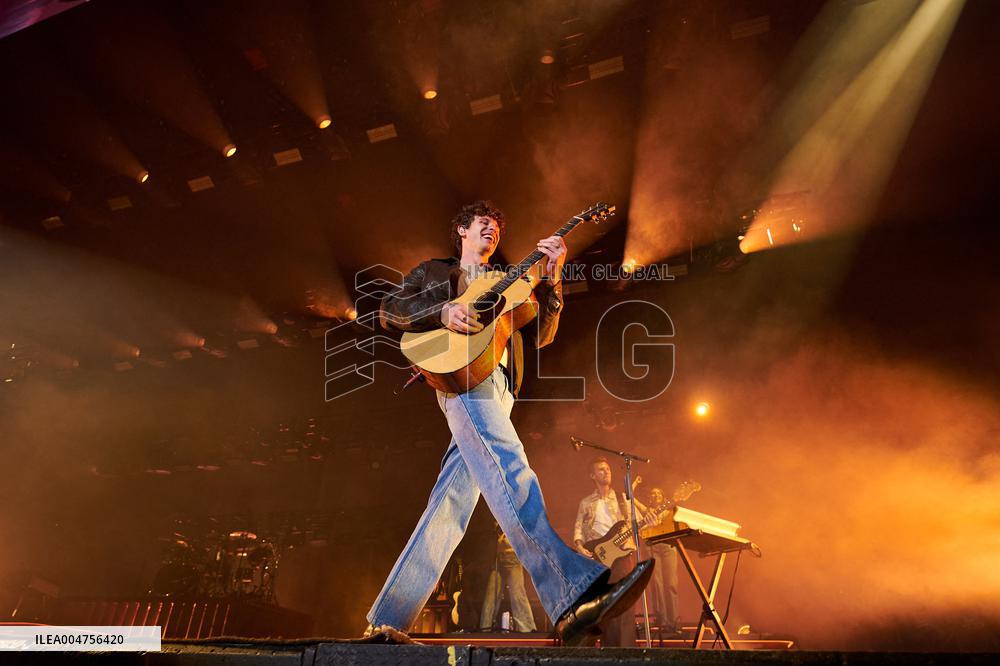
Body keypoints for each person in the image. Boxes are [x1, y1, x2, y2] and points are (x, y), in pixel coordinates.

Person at [363, 200, 654, 646]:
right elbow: (389, 309)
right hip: (461, 376)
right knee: (510, 468)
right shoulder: (435, 272)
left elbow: (544, 333)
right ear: (461, 229)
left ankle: (388, 618)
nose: (492, 232)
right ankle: (570, 594)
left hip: (501, 386)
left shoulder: (508, 280)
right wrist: (441, 312)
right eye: (483, 224)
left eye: (498, 229)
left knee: (451, 506)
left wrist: (553, 275)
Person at [573, 457, 659, 647]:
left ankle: (623, 648)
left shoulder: (623, 498)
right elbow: (578, 527)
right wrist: (579, 547)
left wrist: (650, 521)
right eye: (601, 469)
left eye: (608, 469)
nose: (606, 472)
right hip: (597, 558)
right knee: (600, 604)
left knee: (623, 603)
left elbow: (639, 522)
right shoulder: (586, 503)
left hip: (622, 557)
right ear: (592, 475)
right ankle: (593, 645)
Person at [480, 522, 536, 632]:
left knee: (517, 595)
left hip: (513, 557)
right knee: (491, 596)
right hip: (499, 557)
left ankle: (527, 631)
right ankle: (485, 629)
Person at [645, 486, 681, 636]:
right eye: (652, 493)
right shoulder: (646, 512)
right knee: (657, 583)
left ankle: (674, 621)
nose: (656, 495)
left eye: (659, 492)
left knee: (671, 583)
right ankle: (663, 621)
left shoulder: (670, 509)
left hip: (669, 545)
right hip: (652, 545)